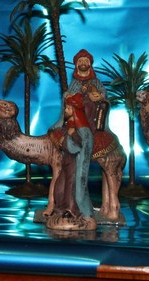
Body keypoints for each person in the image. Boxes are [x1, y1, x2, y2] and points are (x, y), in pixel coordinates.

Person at [50, 92, 94, 221]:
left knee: (71, 185)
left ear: (75, 111)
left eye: (68, 108)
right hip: (66, 158)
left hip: (75, 160)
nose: (65, 110)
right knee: (60, 185)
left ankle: (71, 210)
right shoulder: (68, 124)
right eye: (66, 108)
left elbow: (83, 142)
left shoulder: (81, 128)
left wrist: (73, 134)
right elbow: (64, 139)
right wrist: (62, 139)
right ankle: (60, 207)